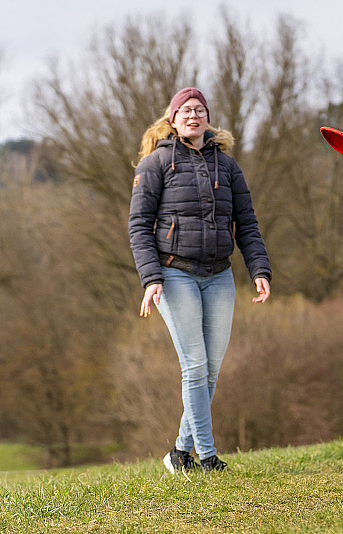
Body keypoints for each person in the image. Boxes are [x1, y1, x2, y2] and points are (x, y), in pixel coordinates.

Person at [129, 87, 271, 473]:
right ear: (172, 120)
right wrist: (151, 278)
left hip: (220, 276)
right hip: (175, 274)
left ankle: (178, 453)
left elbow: (248, 224)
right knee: (194, 367)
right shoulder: (155, 164)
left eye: (200, 110)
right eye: (186, 110)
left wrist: (259, 269)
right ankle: (205, 458)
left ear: (208, 118)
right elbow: (139, 226)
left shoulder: (228, 167)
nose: (194, 115)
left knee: (210, 369)